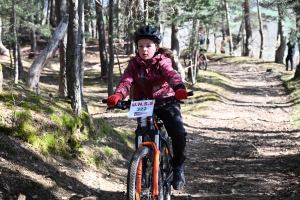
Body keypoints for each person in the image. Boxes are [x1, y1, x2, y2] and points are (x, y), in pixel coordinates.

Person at [106, 25, 188, 190]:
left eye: (148, 46)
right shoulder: (133, 64)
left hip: (166, 101)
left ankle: (177, 164)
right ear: (137, 47)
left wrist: (179, 88)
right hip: (143, 104)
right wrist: (118, 95)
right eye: (141, 46)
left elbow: (171, 74)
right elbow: (126, 81)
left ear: (156, 47)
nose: (144, 49)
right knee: (142, 134)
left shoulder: (162, 61)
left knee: (178, 133)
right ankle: (140, 169)